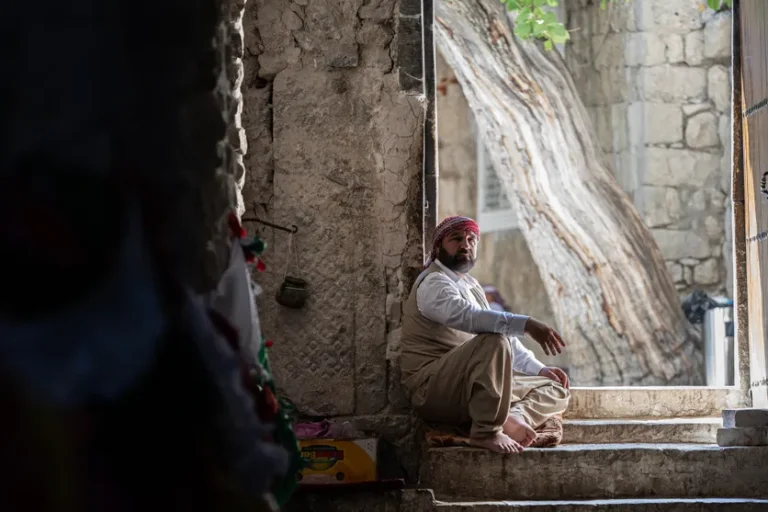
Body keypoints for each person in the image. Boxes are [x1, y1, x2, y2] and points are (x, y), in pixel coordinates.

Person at [401, 216, 570, 454]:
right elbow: (469, 317)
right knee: (493, 339)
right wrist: (527, 324)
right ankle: (486, 431)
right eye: (456, 239)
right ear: (438, 247)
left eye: (471, 239)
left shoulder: (471, 286)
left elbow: (508, 341)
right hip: (433, 389)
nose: (465, 244)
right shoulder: (434, 283)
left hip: (470, 386)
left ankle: (512, 416)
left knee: (555, 387)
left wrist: (539, 369)